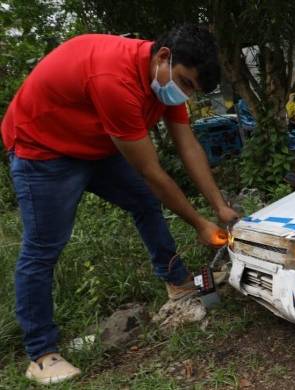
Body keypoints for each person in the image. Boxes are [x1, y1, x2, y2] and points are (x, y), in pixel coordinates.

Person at [0, 24, 238, 384]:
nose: (185, 94)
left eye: (193, 89)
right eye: (185, 83)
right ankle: (42, 355)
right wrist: (200, 224)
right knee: (43, 246)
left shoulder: (164, 83)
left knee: (143, 202)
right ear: (163, 57)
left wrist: (219, 208)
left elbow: (187, 145)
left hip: (94, 143)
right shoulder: (115, 80)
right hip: (43, 149)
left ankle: (178, 282)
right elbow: (151, 172)